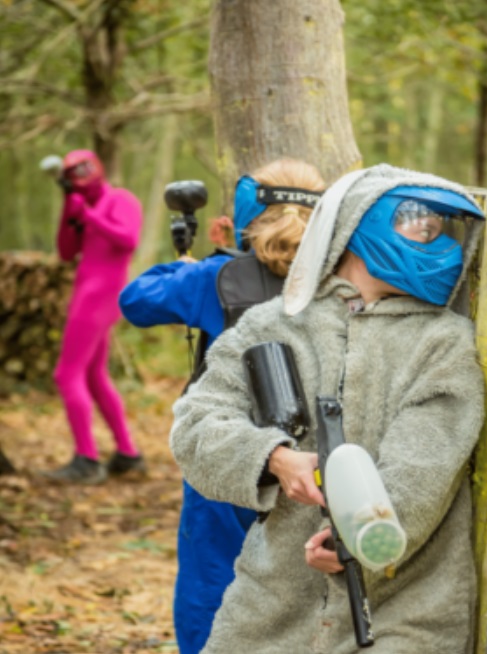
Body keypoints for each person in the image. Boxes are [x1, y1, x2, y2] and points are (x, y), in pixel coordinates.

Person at [170, 164, 487, 653]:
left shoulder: (443, 342)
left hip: (405, 608)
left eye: (440, 227)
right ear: (357, 222)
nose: (432, 235)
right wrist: (275, 457)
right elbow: (195, 425)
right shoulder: (273, 324)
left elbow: (426, 458)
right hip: (271, 605)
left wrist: (361, 538)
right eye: (416, 220)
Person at [118, 158, 326, 654]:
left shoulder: (217, 277)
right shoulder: (341, 278)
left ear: (247, 211)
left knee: (212, 578)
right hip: (317, 456)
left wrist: (201, 262)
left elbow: (136, 300)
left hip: (229, 451)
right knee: (310, 582)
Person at [43, 149, 143, 485]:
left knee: (66, 373)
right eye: (72, 172)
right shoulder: (83, 205)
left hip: (100, 294)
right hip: (87, 292)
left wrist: (89, 216)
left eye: (83, 168)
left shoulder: (120, 199)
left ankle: (86, 459)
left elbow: (128, 239)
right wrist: (69, 214)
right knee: (93, 375)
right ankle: (128, 454)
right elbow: (66, 251)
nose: (79, 175)